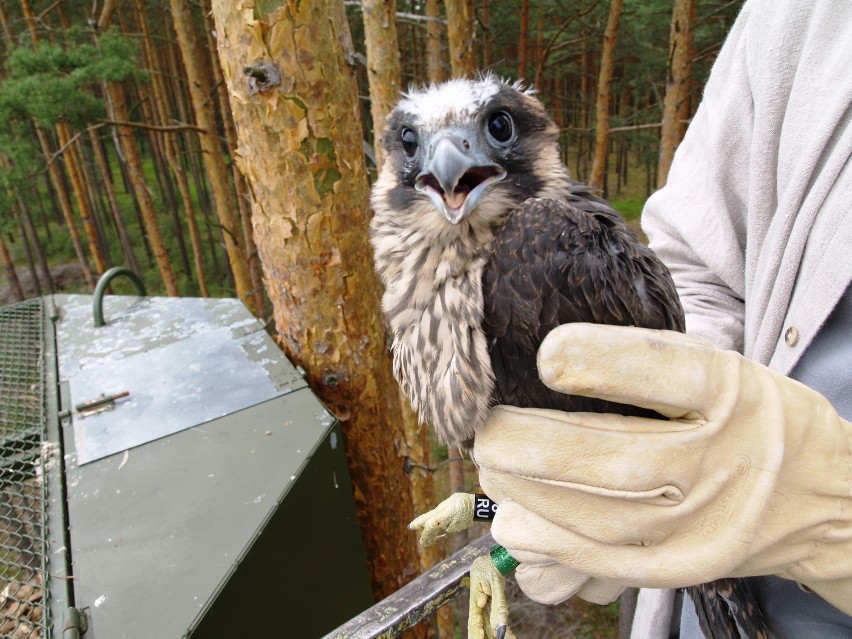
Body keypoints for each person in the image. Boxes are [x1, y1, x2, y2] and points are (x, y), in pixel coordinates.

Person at [472, 0, 852, 636]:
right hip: (690, 593)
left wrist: (833, 510)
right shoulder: (803, 14)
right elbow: (700, 268)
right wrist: (652, 433)